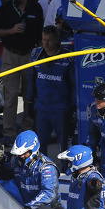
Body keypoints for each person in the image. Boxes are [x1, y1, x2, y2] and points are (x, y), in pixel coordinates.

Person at [0, 0, 43, 142]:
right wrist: (12, 30)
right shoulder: (6, 7)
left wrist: (41, 55)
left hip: (29, 55)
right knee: (11, 95)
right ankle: (9, 132)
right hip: (10, 54)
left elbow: (41, 35)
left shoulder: (36, 7)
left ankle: (28, 130)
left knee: (29, 95)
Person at [0, 130, 66, 209]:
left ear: (33, 150)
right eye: (19, 153)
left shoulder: (46, 167)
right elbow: (1, 175)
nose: (21, 156)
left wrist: (29, 208)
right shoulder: (16, 162)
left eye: (25, 153)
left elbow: (48, 193)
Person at [28, 26, 75, 159]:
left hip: (61, 109)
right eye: (44, 40)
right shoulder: (36, 55)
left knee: (64, 145)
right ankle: (42, 169)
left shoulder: (67, 57)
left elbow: (73, 85)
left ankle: (65, 169)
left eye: (49, 40)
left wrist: (73, 107)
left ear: (57, 40)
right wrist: (29, 101)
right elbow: (31, 79)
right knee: (40, 144)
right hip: (41, 108)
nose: (46, 43)